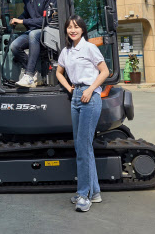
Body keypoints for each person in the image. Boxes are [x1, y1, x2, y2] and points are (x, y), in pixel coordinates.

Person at [55, 15, 109, 212]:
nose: (72, 30)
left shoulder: (89, 48)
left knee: (83, 148)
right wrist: (70, 88)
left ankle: (83, 194)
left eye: (76, 27)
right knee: (82, 147)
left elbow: (104, 72)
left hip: (90, 97)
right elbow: (59, 72)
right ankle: (94, 193)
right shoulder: (66, 51)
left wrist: (90, 89)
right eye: (69, 27)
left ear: (82, 30)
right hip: (76, 96)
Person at [9, 0, 57, 87]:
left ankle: (29, 75)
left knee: (33, 34)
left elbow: (45, 20)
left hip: (48, 30)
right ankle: (35, 73)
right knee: (14, 46)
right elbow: (27, 12)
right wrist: (17, 19)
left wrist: (23, 22)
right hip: (33, 30)